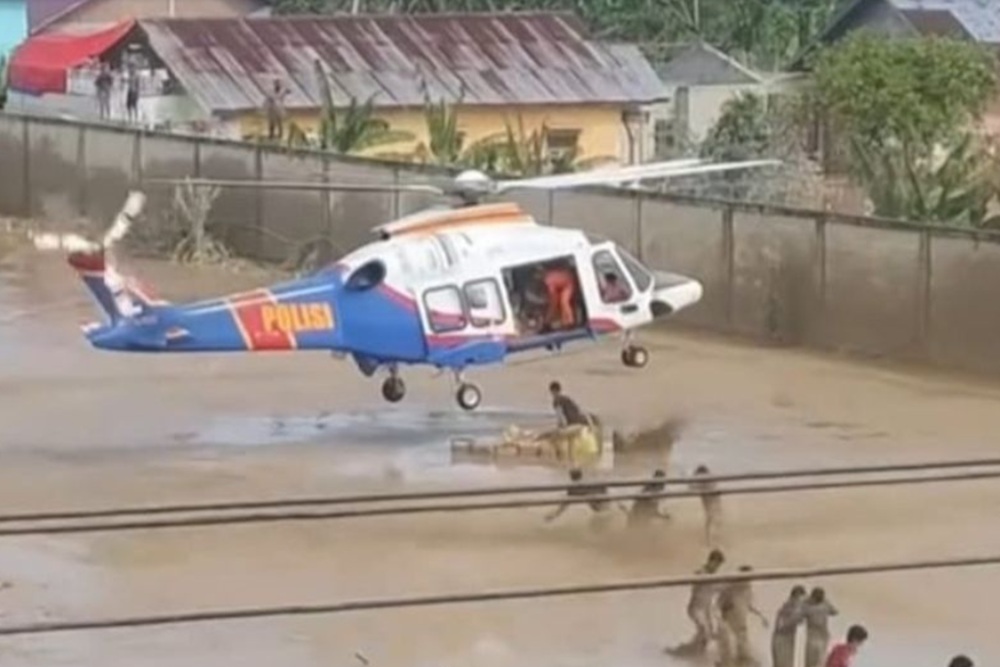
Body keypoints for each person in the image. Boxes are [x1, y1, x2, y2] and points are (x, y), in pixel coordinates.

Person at [667, 549, 725, 656]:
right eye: (716, 564)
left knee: (707, 634)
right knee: (705, 632)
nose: (717, 567)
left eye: (719, 565)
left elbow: (718, 588)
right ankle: (686, 652)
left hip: (706, 609)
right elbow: (699, 582)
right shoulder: (701, 572)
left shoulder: (715, 576)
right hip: (696, 608)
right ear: (711, 561)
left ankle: (688, 651)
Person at [717, 565, 768, 667]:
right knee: (729, 648)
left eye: (750, 578)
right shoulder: (729, 589)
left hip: (741, 623)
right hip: (728, 623)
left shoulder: (748, 590)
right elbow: (719, 605)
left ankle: (743, 661)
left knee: (744, 646)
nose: (748, 581)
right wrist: (720, 620)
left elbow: (750, 605)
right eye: (746, 578)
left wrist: (761, 616)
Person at [544, 467, 625, 531]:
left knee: (596, 527)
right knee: (600, 527)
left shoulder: (573, 489)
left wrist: (554, 515)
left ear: (570, 477)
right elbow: (610, 492)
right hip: (609, 508)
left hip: (602, 511)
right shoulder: (591, 482)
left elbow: (565, 504)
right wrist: (622, 506)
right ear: (581, 475)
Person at [771, 585, 807, 667]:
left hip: (788, 641)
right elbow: (780, 625)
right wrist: (795, 617)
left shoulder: (794, 608)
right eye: (800, 600)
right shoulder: (787, 607)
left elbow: (800, 621)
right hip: (781, 641)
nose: (802, 603)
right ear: (795, 597)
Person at [803, 587, 839, 667]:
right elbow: (835, 612)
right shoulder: (825, 605)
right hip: (820, 637)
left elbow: (835, 612)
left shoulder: (808, 606)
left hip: (816, 637)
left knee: (813, 662)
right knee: (819, 662)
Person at [690, 464, 723, 548]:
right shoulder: (710, 479)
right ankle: (711, 541)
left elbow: (692, 488)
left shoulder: (704, 481)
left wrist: (691, 481)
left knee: (712, 521)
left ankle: (711, 542)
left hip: (711, 502)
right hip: (713, 502)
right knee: (713, 520)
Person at [542, 264, 577, 329]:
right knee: (562, 303)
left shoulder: (548, 280)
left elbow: (552, 294)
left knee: (563, 302)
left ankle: (570, 322)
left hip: (568, 284)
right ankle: (567, 322)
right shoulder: (550, 276)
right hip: (566, 281)